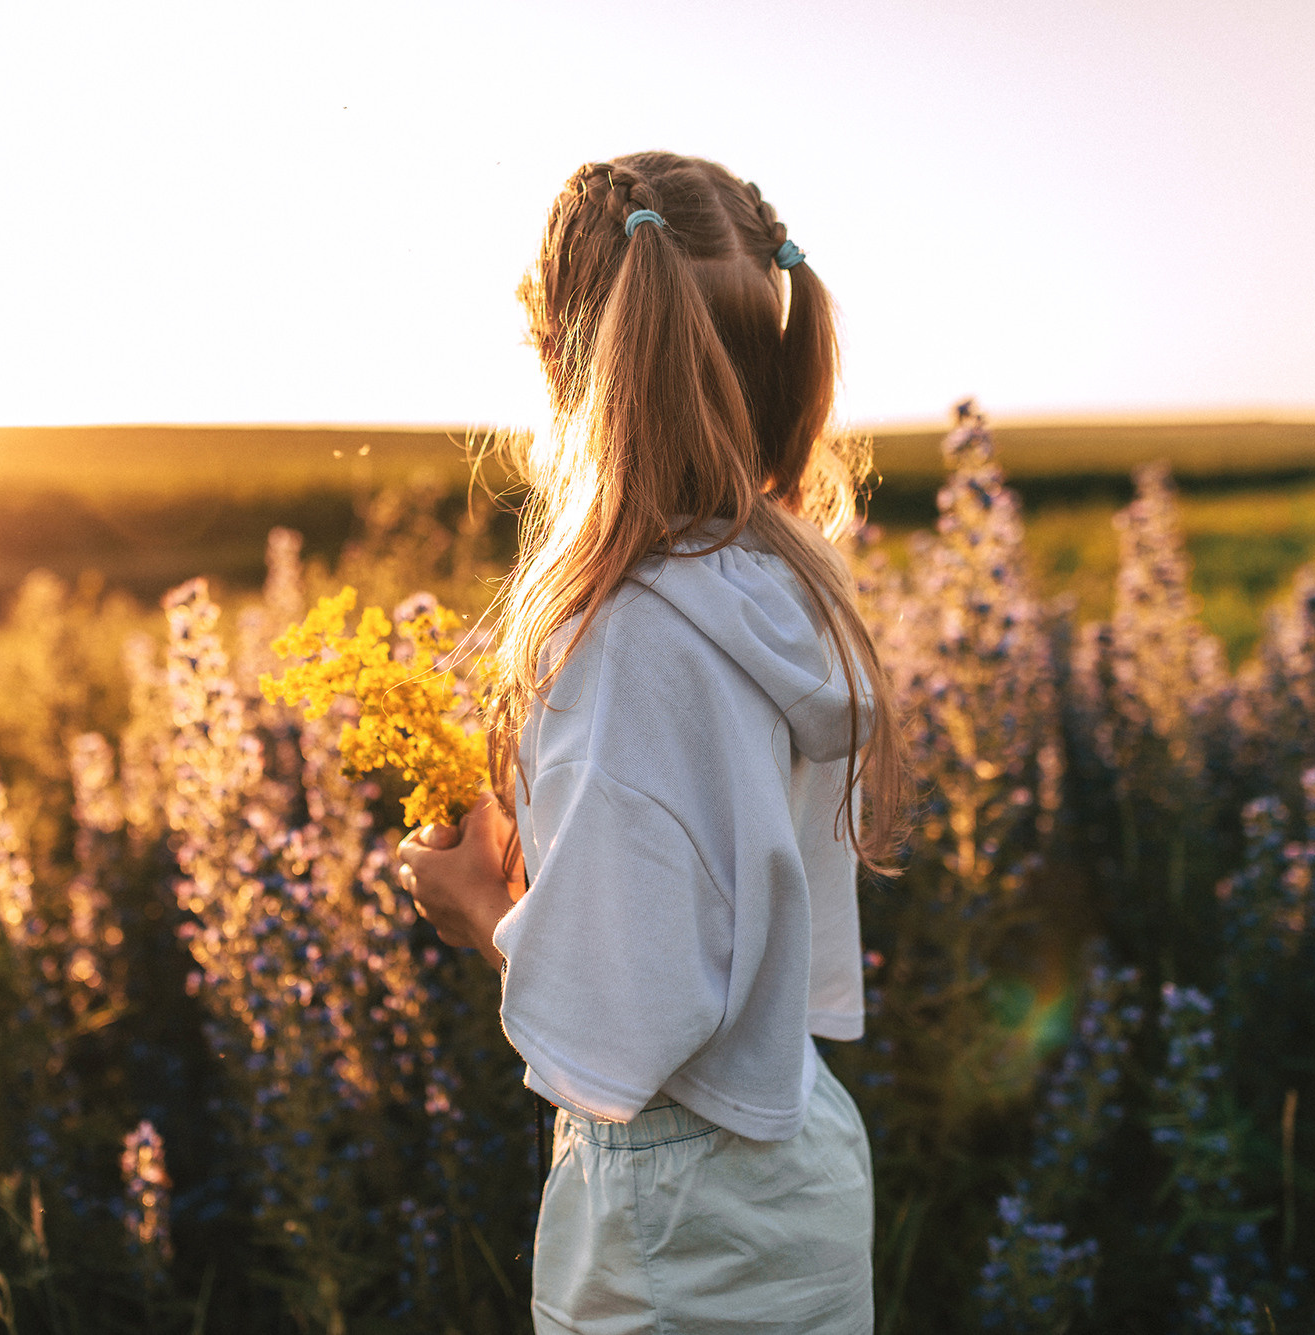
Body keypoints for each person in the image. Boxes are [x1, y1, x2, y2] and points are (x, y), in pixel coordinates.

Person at [394, 151, 910, 1333]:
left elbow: (628, 1024)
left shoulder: (622, 637)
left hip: (675, 1206)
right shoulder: (785, 592)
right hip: (801, 1149)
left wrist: (474, 906)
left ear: (563, 361)